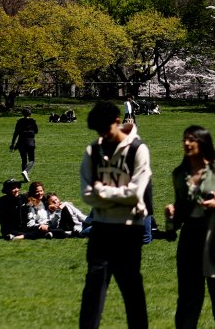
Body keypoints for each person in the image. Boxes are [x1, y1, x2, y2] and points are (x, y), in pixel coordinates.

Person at [79, 101, 151, 329]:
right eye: (98, 131)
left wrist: (103, 191)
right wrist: (117, 194)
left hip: (130, 228)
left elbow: (136, 193)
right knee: (93, 286)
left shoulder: (138, 150)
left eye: (105, 129)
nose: (102, 135)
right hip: (101, 227)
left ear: (117, 122)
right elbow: (86, 195)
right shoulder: (92, 151)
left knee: (131, 288)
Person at [164, 125, 215, 329]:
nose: (187, 144)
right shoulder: (180, 174)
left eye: (192, 140)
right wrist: (172, 217)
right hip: (190, 238)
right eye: (185, 139)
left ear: (204, 144)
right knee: (188, 301)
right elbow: (180, 212)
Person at [10, 107, 39, 181]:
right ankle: (26, 171)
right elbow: (36, 131)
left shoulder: (19, 121)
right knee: (32, 160)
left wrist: (12, 144)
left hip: (21, 143)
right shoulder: (32, 121)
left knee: (24, 160)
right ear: (30, 114)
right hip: (30, 143)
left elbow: (15, 133)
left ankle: (25, 177)